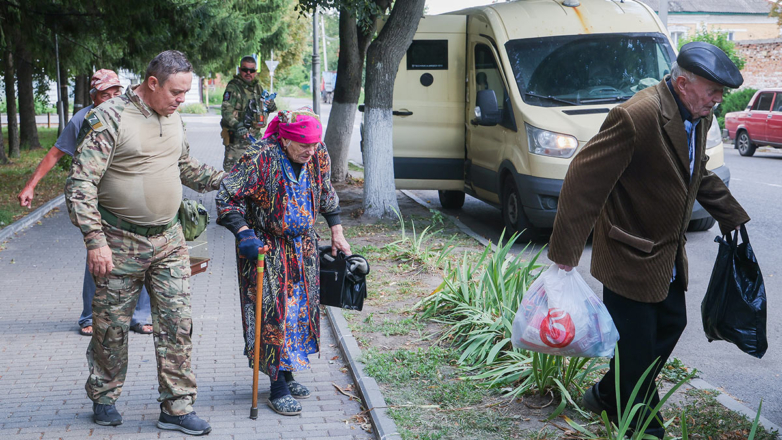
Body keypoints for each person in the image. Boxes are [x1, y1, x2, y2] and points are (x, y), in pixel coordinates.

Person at [546, 42, 751, 439]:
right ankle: (643, 427)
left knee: (673, 324)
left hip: (666, 254)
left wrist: (732, 217)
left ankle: (606, 393)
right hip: (628, 251)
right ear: (682, 82)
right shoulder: (636, 116)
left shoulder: (698, 115)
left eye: (720, 93)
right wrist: (565, 255)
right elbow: (582, 181)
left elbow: (697, 172)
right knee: (638, 351)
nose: (718, 100)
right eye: (712, 91)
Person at [65, 50, 224, 435]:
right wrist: (94, 240)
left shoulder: (174, 117)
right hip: (119, 241)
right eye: (175, 91)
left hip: (169, 239)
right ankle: (103, 395)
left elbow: (185, 166)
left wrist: (232, 181)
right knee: (110, 328)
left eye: (185, 92)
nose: (180, 99)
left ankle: (177, 406)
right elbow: (80, 184)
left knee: (176, 324)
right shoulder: (111, 117)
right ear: (152, 83)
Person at [215, 107, 351, 416]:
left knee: (298, 311)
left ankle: (288, 374)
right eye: (303, 145)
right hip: (267, 247)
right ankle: (276, 386)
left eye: (314, 144)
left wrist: (337, 231)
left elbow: (326, 191)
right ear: (285, 139)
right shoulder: (259, 157)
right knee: (273, 315)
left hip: (303, 247)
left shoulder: (317, 153)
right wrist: (243, 232)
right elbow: (226, 197)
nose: (310, 150)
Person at [18, 69, 153, 337]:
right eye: (106, 94)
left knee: (143, 253)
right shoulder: (84, 119)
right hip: (97, 202)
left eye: (116, 92)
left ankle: (140, 315)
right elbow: (55, 153)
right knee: (98, 256)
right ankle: (89, 316)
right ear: (94, 96)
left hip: (131, 198)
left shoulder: (131, 114)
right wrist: (31, 185)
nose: (113, 97)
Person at [220, 56, 277, 172]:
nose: (248, 73)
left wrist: (271, 106)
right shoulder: (233, 87)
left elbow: (263, 107)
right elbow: (226, 111)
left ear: (255, 72)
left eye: (251, 70)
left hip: (255, 140)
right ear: (240, 70)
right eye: (245, 70)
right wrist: (237, 125)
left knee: (255, 176)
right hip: (237, 143)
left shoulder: (257, 87)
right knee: (233, 178)